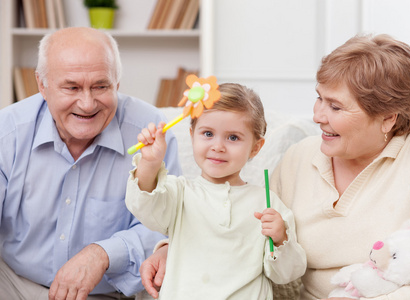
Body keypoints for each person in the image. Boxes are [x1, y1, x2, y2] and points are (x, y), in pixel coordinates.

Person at [0, 27, 181, 299]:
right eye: (72, 87)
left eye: (101, 86)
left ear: (117, 84)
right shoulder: (7, 132)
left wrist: (103, 253)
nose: (87, 104)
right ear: (42, 85)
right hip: (13, 283)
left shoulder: (151, 133)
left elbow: (168, 228)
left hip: (105, 294)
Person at [269, 34, 410, 299]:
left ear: (388, 118)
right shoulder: (298, 158)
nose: (317, 116)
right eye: (319, 98)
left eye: (335, 107)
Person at [125, 83, 307, 299]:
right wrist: (149, 163)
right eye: (208, 133)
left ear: (256, 147)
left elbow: (286, 274)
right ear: (192, 135)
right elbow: (145, 208)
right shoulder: (178, 192)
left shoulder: (268, 204)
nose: (218, 146)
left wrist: (280, 238)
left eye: (233, 138)